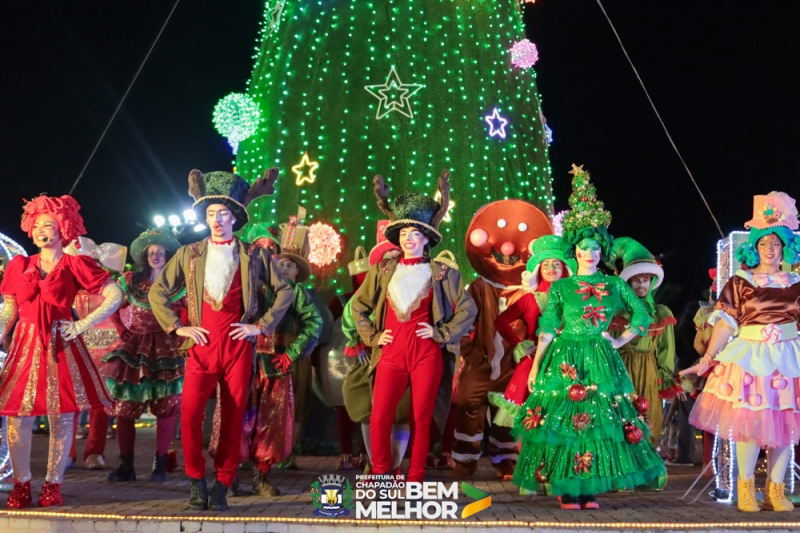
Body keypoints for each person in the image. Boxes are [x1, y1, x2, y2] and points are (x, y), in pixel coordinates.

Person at [512, 165, 666, 510]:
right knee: (566, 421)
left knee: (597, 421)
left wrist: (619, 340)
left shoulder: (614, 284)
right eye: (584, 248)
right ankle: (568, 486)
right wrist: (537, 366)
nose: (590, 253)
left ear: (602, 252)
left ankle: (589, 485)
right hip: (565, 357)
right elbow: (548, 328)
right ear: (575, 251)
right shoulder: (562, 286)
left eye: (595, 249)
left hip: (600, 356)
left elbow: (643, 314)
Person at [149, 168, 293, 511]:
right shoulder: (189, 253)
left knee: (232, 418)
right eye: (211, 214)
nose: (217, 220)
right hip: (200, 347)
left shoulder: (254, 255)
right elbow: (158, 292)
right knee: (189, 415)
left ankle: (223, 482)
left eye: (223, 214)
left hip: (237, 347)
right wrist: (177, 326)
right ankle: (196, 479)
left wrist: (260, 326)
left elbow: (285, 291)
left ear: (235, 217)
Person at [351, 172, 477, 483]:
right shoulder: (383, 270)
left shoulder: (443, 273)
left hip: (426, 353)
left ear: (426, 238)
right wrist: (372, 336)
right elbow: (358, 306)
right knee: (380, 415)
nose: (409, 238)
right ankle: (381, 474)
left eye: (415, 234)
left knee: (422, 417)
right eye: (404, 233)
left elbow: (468, 307)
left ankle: (416, 477)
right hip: (391, 352)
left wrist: (442, 333)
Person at [0, 195, 122, 508]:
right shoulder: (20, 265)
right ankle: (21, 484)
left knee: (62, 417)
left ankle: (53, 485)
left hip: (60, 343)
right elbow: (10, 308)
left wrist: (83, 325)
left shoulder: (75, 263)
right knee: (17, 417)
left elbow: (113, 294)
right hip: (26, 344)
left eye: (49, 225)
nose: (42, 230)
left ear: (63, 228)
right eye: (38, 225)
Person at [682, 192, 800, 513]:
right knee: (750, 424)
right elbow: (725, 323)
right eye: (764, 244)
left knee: (785, 427)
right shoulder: (741, 281)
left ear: (784, 247)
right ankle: (746, 487)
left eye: (776, 243)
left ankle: (776, 491)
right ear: (755, 247)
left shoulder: (796, 281)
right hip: (751, 357)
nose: (770, 249)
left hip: (788, 358)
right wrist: (708, 359)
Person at [101, 229, 186, 483]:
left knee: (166, 407)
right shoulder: (132, 281)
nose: (156, 256)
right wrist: (122, 331)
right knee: (124, 407)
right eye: (151, 252)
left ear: (168, 255)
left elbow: (186, 315)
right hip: (134, 347)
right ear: (144, 256)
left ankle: (159, 465)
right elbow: (114, 306)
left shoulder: (179, 284)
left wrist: (180, 337)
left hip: (165, 347)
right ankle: (126, 465)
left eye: (160, 252)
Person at [490, 235, 574, 430]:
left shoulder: (573, 299)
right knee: (529, 420)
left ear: (564, 268)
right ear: (539, 270)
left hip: (566, 362)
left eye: (556, 264)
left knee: (561, 420)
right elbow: (500, 321)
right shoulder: (529, 299)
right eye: (546, 265)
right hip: (534, 362)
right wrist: (519, 344)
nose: (551, 268)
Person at [607, 238, 678, 444]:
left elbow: (666, 350)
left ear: (652, 281)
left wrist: (664, 377)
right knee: (622, 419)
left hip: (649, 370)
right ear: (628, 283)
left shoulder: (660, 315)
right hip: (623, 371)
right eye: (636, 280)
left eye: (645, 279)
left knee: (649, 421)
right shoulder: (617, 312)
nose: (641, 284)